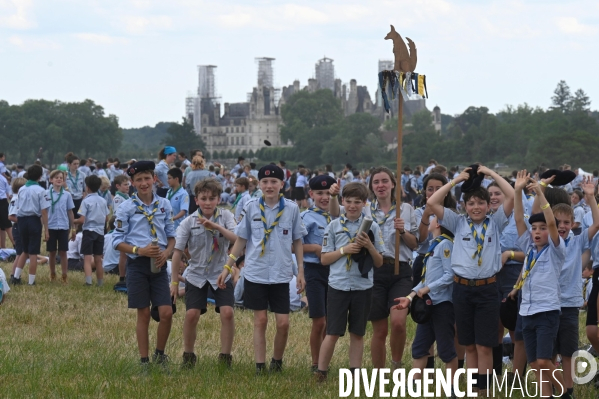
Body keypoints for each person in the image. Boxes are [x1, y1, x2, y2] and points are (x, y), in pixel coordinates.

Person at [427, 165, 514, 396]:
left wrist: (491, 174)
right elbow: (433, 203)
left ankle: (482, 391)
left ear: (488, 205)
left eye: (481, 203)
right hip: (462, 289)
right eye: (471, 203)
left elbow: (512, 195)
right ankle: (474, 389)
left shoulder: (495, 223)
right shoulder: (458, 223)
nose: (476, 207)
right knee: (470, 345)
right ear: (464, 206)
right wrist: (456, 180)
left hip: (487, 290)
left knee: (485, 345)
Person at [216, 164, 307, 374]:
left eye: (274, 182)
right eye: (265, 182)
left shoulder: (292, 208)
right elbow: (241, 240)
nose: (269, 186)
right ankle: (260, 365)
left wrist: (300, 270)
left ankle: (277, 361)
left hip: (281, 273)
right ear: (259, 184)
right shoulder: (251, 206)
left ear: (281, 184)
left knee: (283, 323)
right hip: (255, 272)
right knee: (261, 320)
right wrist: (228, 267)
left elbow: (298, 241)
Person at [314, 182, 385, 381]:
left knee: (358, 333)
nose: (352, 206)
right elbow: (324, 258)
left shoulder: (372, 226)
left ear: (364, 203)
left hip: (363, 286)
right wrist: (345, 250)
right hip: (339, 285)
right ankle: (321, 372)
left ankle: (355, 373)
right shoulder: (334, 225)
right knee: (333, 332)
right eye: (349, 202)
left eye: (357, 202)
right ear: (342, 202)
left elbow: (379, 262)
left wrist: (369, 246)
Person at [112, 161, 176, 367]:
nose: (144, 183)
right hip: (138, 265)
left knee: (166, 312)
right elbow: (116, 241)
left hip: (158, 263)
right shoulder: (126, 207)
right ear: (132, 183)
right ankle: (144, 360)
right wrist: (138, 250)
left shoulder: (164, 204)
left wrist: (167, 252)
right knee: (144, 313)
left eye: (147, 178)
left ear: (154, 179)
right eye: (138, 180)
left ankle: (160, 354)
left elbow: (172, 236)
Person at [509, 170, 565, 398]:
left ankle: (565, 390)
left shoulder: (555, 249)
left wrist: (540, 194)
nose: (537, 232)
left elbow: (550, 220)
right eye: (535, 229)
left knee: (544, 360)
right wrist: (517, 190)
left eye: (541, 229)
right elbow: (518, 218)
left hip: (547, 311)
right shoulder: (529, 248)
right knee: (534, 364)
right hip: (527, 311)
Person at [171, 178, 237, 368]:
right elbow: (177, 252)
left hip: (220, 272)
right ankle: (188, 355)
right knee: (192, 314)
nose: (208, 202)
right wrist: (174, 282)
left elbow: (237, 240)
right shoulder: (188, 222)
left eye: (212, 198)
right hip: (197, 273)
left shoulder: (226, 216)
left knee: (227, 312)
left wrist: (216, 227)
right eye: (204, 198)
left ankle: (225, 357)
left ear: (218, 199)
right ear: (196, 200)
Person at [392, 212, 457, 395]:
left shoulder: (445, 245)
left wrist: (428, 289)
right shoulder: (433, 246)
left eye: (434, 217)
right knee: (420, 346)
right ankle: (413, 384)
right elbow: (425, 279)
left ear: (439, 224)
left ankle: (451, 388)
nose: (430, 220)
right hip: (428, 303)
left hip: (442, 304)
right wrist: (411, 296)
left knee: (445, 348)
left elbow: (449, 275)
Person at [547, 176, 599, 396]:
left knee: (568, 352)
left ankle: (568, 390)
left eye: (567, 223)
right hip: (547, 305)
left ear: (573, 224)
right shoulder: (545, 242)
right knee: (548, 353)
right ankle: (551, 387)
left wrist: (590, 197)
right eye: (557, 223)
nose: (562, 226)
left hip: (569, 306)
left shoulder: (577, 241)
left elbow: (597, 223)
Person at [365, 166, 418, 370]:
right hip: (375, 271)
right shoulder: (366, 210)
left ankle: (396, 364)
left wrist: (403, 230)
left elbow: (414, 244)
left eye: (385, 181)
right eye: (376, 182)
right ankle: (379, 371)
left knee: (398, 322)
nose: (381, 185)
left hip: (400, 270)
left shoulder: (406, 209)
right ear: (371, 186)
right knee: (379, 330)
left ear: (393, 184)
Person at [301, 175, 340, 371]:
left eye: (328, 193)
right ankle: (315, 363)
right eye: (319, 193)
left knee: (330, 323)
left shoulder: (339, 215)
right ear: (311, 194)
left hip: (335, 271)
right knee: (319, 320)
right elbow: (295, 246)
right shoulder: (306, 218)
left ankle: (324, 362)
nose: (324, 197)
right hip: (315, 270)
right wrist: (315, 248)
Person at [12, 165, 50, 286]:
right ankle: (31, 281)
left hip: (22, 220)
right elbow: (43, 211)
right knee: (33, 252)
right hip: (33, 219)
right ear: (40, 176)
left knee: (25, 250)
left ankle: (16, 276)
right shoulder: (41, 190)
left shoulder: (22, 189)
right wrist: (46, 229)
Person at [74, 175, 109, 286]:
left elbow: (82, 219)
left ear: (87, 187)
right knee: (98, 258)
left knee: (87, 258)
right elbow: (107, 218)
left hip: (89, 231)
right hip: (100, 232)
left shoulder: (85, 201)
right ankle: (100, 282)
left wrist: (73, 220)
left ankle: (88, 282)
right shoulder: (103, 200)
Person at [46, 170, 75, 283]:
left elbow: (70, 212)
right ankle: (52, 274)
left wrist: (73, 227)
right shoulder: (46, 194)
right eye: (56, 177)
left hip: (63, 226)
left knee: (63, 252)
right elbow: (43, 212)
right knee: (52, 252)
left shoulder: (67, 195)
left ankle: (64, 275)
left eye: (61, 178)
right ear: (51, 180)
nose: (59, 179)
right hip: (51, 226)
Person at [8, 178, 26, 282]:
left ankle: (15, 274)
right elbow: (11, 216)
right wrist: (24, 220)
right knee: (20, 253)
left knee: (21, 252)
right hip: (17, 227)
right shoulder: (16, 199)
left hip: (20, 227)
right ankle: (13, 275)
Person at [0, 171, 14, 249]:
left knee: (7, 226)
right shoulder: (3, 178)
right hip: (3, 202)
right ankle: (2, 247)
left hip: (2, 202)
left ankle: (16, 245)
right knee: (3, 227)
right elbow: (7, 194)